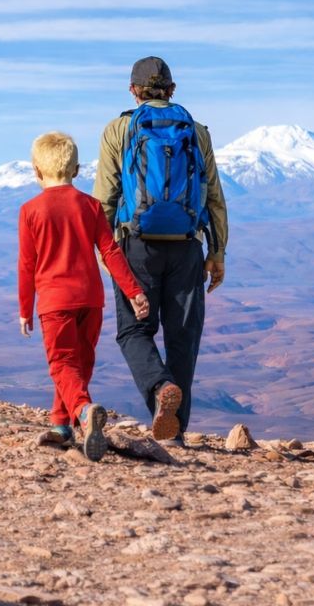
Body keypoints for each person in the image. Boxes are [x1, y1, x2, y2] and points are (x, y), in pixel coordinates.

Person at [92, 56, 229, 444]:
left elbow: (105, 197)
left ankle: (158, 388)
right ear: (172, 90)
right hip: (187, 248)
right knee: (183, 337)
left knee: (134, 331)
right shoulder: (197, 132)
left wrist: (103, 253)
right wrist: (217, 253)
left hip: (135, 247)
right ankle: (175, 432)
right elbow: (214, 197)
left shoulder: (119, 130)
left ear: (133, 90)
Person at [18, 131, 151, 462]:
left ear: (36, 170)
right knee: (80, 363)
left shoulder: (31, 210)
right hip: (91, 300)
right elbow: (110, 251)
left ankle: (82, 410)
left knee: (62, 363)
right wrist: (133, 290)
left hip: (54, 301)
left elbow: (26, 264)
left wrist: (25, 308)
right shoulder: (90, 206)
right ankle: (62, 425)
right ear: (77, 170)